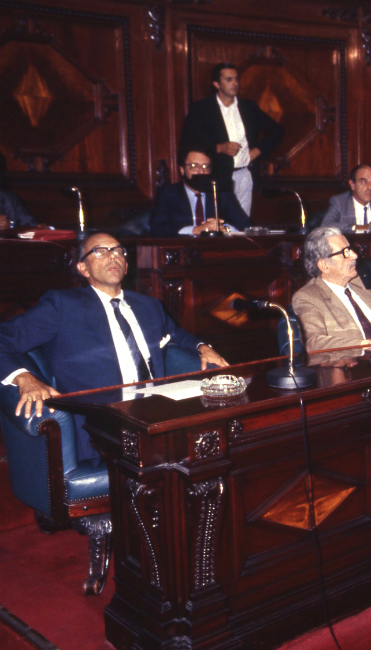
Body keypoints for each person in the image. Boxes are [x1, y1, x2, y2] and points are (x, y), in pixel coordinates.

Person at [0, 233, 228, 461]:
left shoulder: (149, 306)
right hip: (102, 420)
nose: (112, 256)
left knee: (219, 434)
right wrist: (24, 378)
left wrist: (202, 346)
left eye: (118, 251)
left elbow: (177, 333)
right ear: (83, 268)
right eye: (100, 251)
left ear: (127, 266)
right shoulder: (62, 306)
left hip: (157, 407)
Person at [179, 62, 283, 215]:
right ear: (216, 84)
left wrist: (257, 151)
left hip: (244, 175)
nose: (234, 83)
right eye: (229, 79)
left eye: (236, 79)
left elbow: (277, 131)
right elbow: (188, 143)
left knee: (241, 225)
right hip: (216, 177)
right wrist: (219, 148)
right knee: (217, 223)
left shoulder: (248, 107)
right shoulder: (202, 109)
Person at [150, 148, 251, 236]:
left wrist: (223, 229)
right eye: (194, 166)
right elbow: (158, 227)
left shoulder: (221, 193)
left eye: (205, 166)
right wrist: (195, 230)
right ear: (182, 170)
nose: (201, 172)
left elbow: (246, 225)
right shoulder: (169, 193)